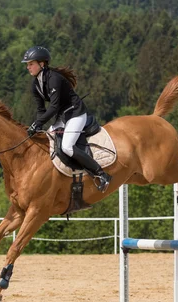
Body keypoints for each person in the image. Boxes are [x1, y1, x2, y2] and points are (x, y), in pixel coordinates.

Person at [22, 46, 112, 192]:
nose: (28, 67)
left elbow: (54, 107)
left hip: (76, 113)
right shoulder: (35, 85)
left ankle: (101, 174)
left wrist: (37, 123)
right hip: (62, 117)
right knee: (49, 144)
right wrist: (36, 127)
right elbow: (41, 110)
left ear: (42, 64)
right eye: (27, 64)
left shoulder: (54, 79)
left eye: (31, 64)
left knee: (67, 147)